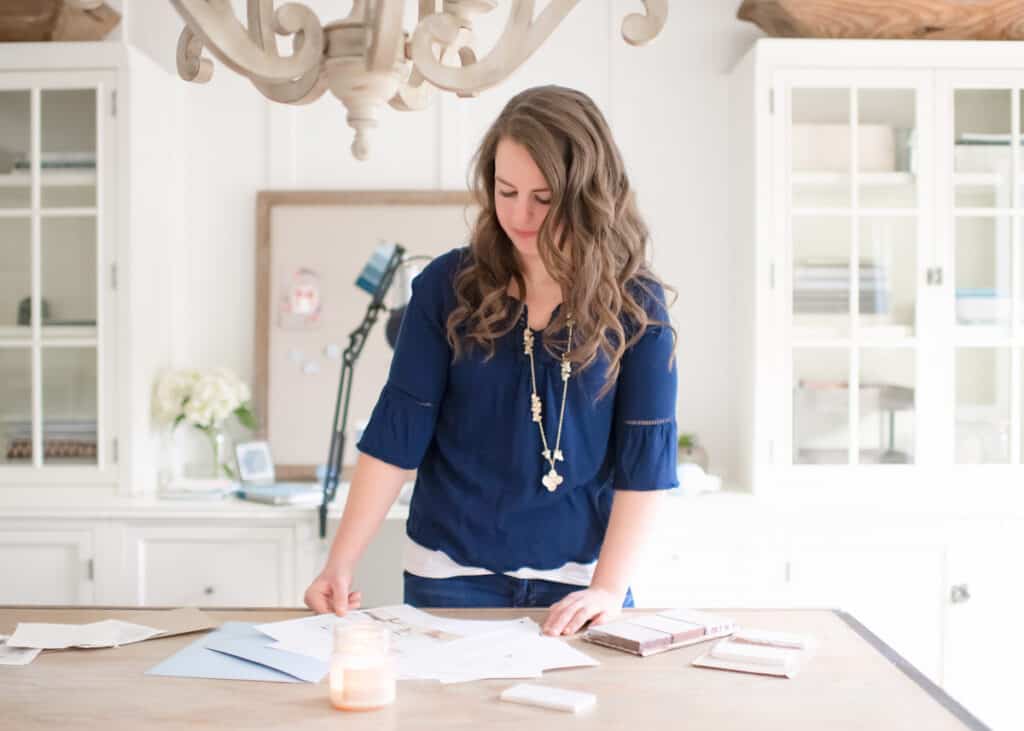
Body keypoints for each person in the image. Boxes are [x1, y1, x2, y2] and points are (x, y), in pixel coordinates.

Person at [304, 85, 678, 636]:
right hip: (448, 575)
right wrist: (340, 560)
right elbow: (396, 437)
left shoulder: (636, 303)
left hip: (580, 582)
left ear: (587, 193)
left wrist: (607, 586)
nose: (520, 215)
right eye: (506, 191)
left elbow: (645, 465)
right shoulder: (445, 288)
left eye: (544, 197)